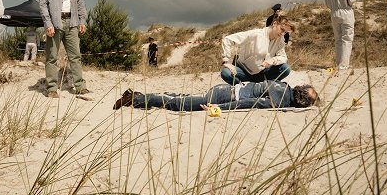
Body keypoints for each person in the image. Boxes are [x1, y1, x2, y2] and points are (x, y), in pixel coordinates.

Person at [39, 0, 89, 98]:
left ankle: (80, 86)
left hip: (72, 23)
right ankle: (52, 89)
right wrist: (48, 24)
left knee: (75, 56)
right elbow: (42, 5)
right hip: (55, 23)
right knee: (52, 57)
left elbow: (80, 2)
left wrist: (82, 21)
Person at [113, 80, 318, 111]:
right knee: (178, 105)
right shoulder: (281, 99)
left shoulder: (283, 84)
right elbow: (248, 103)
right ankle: (136, 98)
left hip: (225, 89)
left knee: (185, 98)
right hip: (224, 97)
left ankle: (144, 96)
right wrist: (220, 108)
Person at [220, 16, 295, 85]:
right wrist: (227, 61)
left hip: (262, 73)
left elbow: (283, 57)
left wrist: (273, 60)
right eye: (282, 29)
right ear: (275, 23)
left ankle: (266, 86)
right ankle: (240, 87)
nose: (282, 34)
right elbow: (228, 39)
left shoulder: (280, 40)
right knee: (226, 73)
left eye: (285, 32)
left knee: (286, 68)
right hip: (243, 71)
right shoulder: (256, 34)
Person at [325, 0, 356, 70]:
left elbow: (327, 3)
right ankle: (344, 65)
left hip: (334, 13)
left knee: (338, 39)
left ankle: (339, 63)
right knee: (347, 38)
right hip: (346, 12)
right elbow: (352, 0)